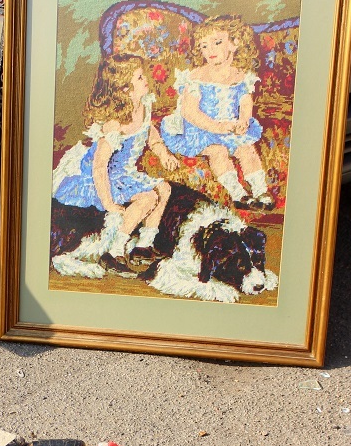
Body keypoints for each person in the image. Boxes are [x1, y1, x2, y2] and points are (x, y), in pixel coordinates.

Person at [51, 53, 177, 278]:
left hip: (125, 172)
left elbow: (150, 134)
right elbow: (99, 166)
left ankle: (143, 246)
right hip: (105, 176)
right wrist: (108, 202)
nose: (146, 80)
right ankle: (114, 250)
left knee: (164, 189)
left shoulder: (143, 106)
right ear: (125, 90)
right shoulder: (114, 124)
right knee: (149, 198)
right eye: (140, 77)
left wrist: (163, 152)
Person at [160, 15, 272, 210]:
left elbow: (245, 101)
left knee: (246, 149)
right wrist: (217, 127)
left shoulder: (240, 75)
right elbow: (189, 112)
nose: (210, 50)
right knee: (218, 151)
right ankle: (238, 194)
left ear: (234, 43)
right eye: (204, 46)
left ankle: (261, 190)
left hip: (229, 127)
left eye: (217, 43)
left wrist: (243, 120)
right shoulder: (197, 76)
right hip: (201, 130)